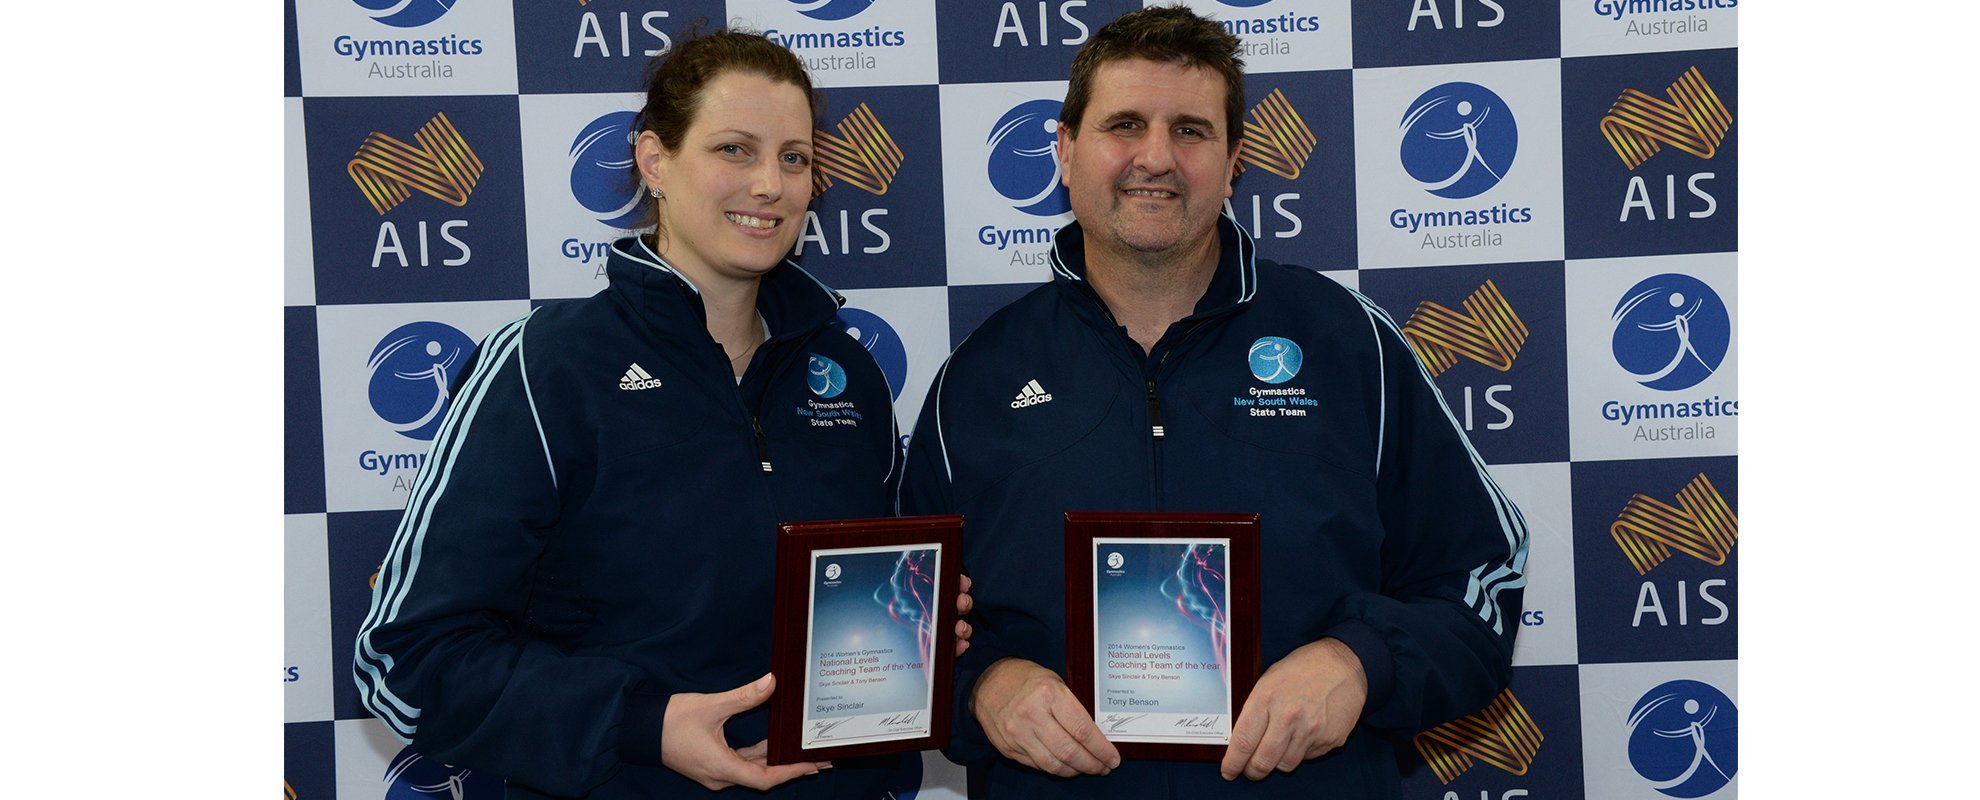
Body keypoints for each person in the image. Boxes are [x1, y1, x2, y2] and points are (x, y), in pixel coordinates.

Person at [899, 6, 1528, 797]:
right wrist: (984, 687)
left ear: (1235, 159)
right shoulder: (980, 379)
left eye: (1191, 130)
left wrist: (1358, 661)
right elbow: (904, 630)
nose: (1155, 157)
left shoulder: (1348, 345)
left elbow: (1480, 585)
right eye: (1124, 124)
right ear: (1064, 150)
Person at [353, 29, 968, 799]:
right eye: (735, 150)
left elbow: (861, 615)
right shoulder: (547, 366)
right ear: (655, 161)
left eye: (795, 158)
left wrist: (914, 620)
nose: (771, 185)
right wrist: (643, 723)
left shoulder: (847, 373)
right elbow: (405, 657)